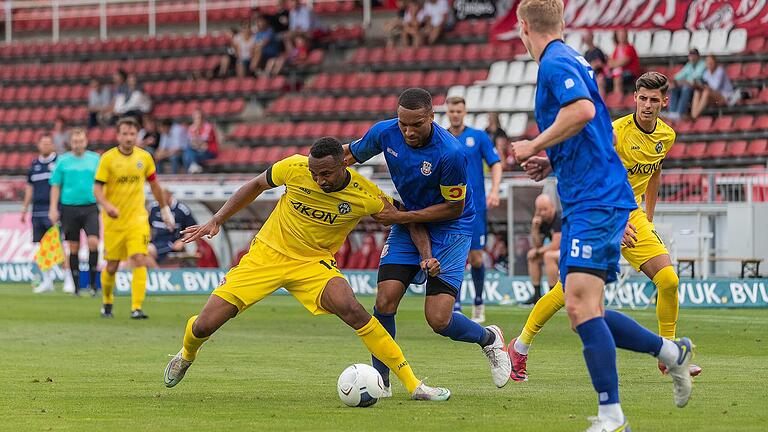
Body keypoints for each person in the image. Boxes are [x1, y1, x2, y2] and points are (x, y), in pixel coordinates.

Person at [510, 2, 694, 430]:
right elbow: (598, 133)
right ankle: (671, 354)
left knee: (580, 305)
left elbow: (583, 113)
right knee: (578, 307)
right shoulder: (570, 58)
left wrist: (534, 145)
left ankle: (612, 415)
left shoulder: (555, 62)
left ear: (523, 27)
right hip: (583, 196)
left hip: (597, 199)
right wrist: (552, 162)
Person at [164, 137, 451, 402]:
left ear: (343, 164)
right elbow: (255, 185)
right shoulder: (294, 167)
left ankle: (414, 385)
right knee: (204, 325)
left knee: (353, 309)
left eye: (325, 174)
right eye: (314, 173)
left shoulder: (365, 195)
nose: (318, 179)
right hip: (266, 255)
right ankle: (187, 354)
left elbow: (409, 219)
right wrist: (217, 219)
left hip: (313, 264)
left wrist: (426, 255)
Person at [510, 71, 704, 382]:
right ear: (635, 99)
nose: (647, 105)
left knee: (668, 280)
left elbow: (654, 171)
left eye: (654, 100)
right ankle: (520, 346)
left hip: (631, 214)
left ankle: (668, 354)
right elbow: (593, 169)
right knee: (567, 292)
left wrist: (647, 216)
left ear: (664, 102)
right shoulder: (616, 132)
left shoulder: (666, 136)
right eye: (642, 98)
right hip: (600, 212)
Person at [342, 88, 512, 393]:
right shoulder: (385, 133)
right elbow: (347, 155)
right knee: (384, 300)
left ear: (432, 118)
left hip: (452, 227)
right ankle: (382, 381)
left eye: (416, 125)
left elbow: (453, 207)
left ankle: (489, 338)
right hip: (410, 219)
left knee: (438, 319)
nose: (407, 131)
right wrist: (306, 169)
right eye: (402, 123)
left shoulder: (451, 153)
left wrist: (400, 218)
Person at [94, 117, 175, 319]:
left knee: (139, 258)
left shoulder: (145, 158)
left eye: (132, 134)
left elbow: (155, 185)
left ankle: (136, 307)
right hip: (114, 221)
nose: (129, 138)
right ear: (118, 135)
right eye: (125, 134)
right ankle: (107, 301)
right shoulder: (108, 159)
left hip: (137, 219)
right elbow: (97, 189)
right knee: (112, 266)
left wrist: (165, 210)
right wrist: (107, 205)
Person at [445, 96, 502, 323]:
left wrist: (495, 190)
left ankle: (478, 301)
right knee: (453, 256)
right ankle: (455, 304)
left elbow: (496, 163)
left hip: (475, 206)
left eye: (459, 110)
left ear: (465, 111)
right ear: (447, 112)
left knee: (476, 258)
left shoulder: (478, 137)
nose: (455, 114)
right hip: (448, 207)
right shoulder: (441, 136)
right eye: (452, 110)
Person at [48, 129, 101, 296]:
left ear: (86, 142)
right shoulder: (63, 161)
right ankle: (77, 287)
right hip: (69, 208)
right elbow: (55, 185)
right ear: (71, 143)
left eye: (81, 141)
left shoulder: (95, 159)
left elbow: (103, 182)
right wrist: (52, 208)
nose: (78, 144)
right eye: (75, 141)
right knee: (73, 247)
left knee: (93, 242)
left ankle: (93, 285)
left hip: (90, 207)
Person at [22, 135, 73, 294]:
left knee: (59, 245)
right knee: (42, 247)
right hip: (37, 211)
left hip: (54, 211)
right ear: (38, 145)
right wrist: (24, 208)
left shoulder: (59, 163)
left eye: (48, 143)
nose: (46, 146)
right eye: (43, 143)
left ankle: (68, 279)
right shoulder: (34, 165)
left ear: (53, 146)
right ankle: (47, 281)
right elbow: (30, 188)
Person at [523, 194, 561, 305]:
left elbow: (555, 245)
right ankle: (536, 295)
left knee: (548, 256)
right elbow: (537, 245)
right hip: (558, 251)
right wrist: (535, 229)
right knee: (532, 256)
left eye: (545, 209)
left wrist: (538, 251)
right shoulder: (542, 221)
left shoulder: (558, 219)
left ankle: (552, 294)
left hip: (569, 251)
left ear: (552, 207)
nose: (542, 213)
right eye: (540, 210)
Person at [146, 189, 197, 268]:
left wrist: (182, 241)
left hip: (171, 243)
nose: (160, 202)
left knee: (147, 251)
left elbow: (192, 229)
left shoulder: (181, 210)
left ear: (170, 196)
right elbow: (147, 225)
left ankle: (158, 274)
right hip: (155, 242)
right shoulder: (153, 208)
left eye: (163, 199)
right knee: (138, 252)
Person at [690, 54, 736, 119]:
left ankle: (694, 116)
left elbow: (715, 87)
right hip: (714, 97)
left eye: (711, 62)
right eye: (708, 62)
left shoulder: (720, 71)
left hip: (726, 97)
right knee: (697, 91)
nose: (709, 64)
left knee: (706, 92)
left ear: (715, 62)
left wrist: (702, 86)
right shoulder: (706, 73)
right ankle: (693, 115)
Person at [667, 49, 705, 121]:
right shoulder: (689, 65)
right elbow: (678, 76)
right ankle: (672, 112)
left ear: (698, 56)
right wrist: (674, 81)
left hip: (698, 87)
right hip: (688, 85)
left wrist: (682, 81)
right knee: (674, 88)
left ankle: (680, 113)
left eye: (694, 55)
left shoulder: (702, 64)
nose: (692, 57)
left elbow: (697, 77)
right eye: (691, 55)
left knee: (685, 88)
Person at [607, 29, 641, 95]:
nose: (621, 37)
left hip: (630, 73)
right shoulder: (616, 49)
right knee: (600, 80)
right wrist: (617, 63)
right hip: (618, 73)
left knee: (617, 79)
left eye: (623, 35)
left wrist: (615, 63)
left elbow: (624, 62)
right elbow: (610, 63)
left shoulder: (630, 48)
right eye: (620, 35)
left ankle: (617, 102)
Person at [184, 109, 218, 174]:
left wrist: (197, 140)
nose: (198, 120)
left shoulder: (208, 126)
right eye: (196, 118)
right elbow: (193, 142)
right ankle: (194, 167)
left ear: (203, 118)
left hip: (210, 151)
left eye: (199, 117)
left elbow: (203, 142)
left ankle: (190, 172)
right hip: (197, 150)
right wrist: (198, 143)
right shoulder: (192, 127)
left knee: (188, 153)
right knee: (187, 151)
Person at [582, 31, 607, 97]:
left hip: (599, 75)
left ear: (592, 37)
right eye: (586, 38)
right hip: (589, 76)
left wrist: (595, 65)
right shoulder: (586, 53)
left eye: (588, 37)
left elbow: (603, 64)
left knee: (599, 81)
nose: (587, 39)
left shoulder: (598, 51)